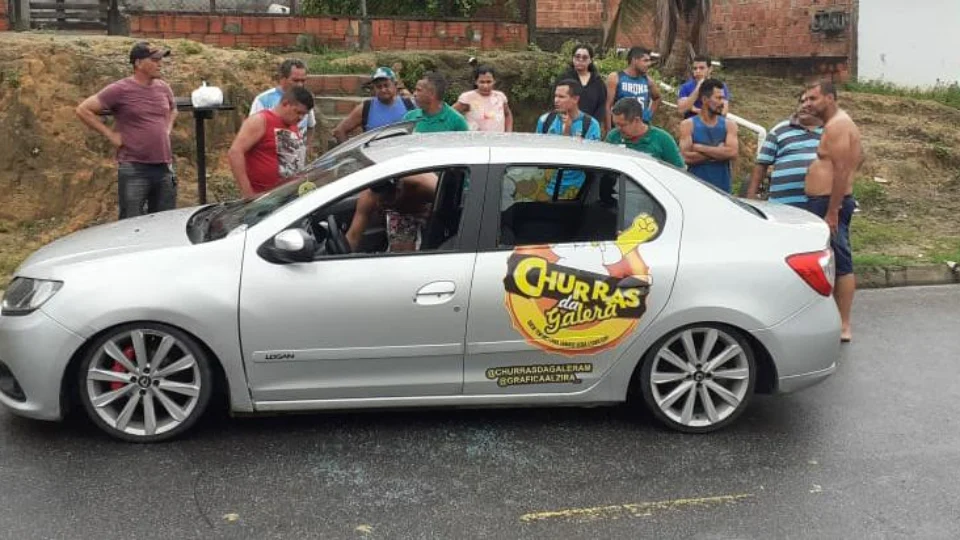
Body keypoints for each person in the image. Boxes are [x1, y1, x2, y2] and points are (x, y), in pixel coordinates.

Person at [75, 42, 177, 220]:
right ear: (138, 63)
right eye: (154, 60)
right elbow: (83, 109)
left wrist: (167, 129)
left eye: (160, 59)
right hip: (135, 168)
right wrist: (110, 135)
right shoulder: (120, 89)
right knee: (131, 223)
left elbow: (173, 109)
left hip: (164, 167)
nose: (160, 63)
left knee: (164, 223)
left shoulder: (163, 87)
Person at [801, 80, 862, 343]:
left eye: (813, 98)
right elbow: (857, 159)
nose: (807, 103)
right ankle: (833, 320)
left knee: (841, 262)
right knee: (827, 260)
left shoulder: (838, 125)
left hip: (829, 203)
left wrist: (833, 210)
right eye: (805, 99)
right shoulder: (836, 124)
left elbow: (841, 170)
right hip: (825, 201)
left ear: (829, 98)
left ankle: (844, 324)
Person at [228, 87, 314, 197]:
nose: (301, 118)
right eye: (298, 112)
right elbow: (235, 152)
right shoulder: (260, 121)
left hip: (288, 195)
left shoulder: (293, 126)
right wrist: (247, 193)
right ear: (285, 103)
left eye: (304, 114)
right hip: (263, 196)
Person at [746, 97, 823, 206]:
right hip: (781, 206)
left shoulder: (833, 130)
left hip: (819, 206)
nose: (804, 106)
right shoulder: (779, 129)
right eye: (802, 102)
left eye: (810, 102)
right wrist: (751, 197)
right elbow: (761, 165)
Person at [536, 79, 602, 197]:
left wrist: (568, 132)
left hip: (576, 189)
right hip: (545, 186)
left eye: (561, 97)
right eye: (555, 96)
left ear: (575, 99)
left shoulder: (591, 125)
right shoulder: (545, 120)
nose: (556, 100)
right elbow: (537, 153)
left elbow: (592, 160)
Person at [345, 174, 438, 253]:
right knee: (400, 255)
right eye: (378, 202)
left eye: (385, 201)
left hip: (431, 209)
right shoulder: (368, 196)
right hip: (400, 214)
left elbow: (446, 200)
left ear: (398, 189)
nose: (379, 204)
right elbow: (353, 235)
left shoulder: (426, 184)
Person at [679, 78, 739, 192]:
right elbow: (686, 157)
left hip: (722, 191)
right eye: (718, 98)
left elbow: (732, 153)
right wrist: (719, 152)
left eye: (723, 98)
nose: (722, 102)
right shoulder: (688, 125)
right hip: (695, 189)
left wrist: (700, 148)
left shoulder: (730, 125)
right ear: (705, 99)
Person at [332, 66, 415, 144]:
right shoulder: (366, 108)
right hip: (376, 153)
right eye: (378, 87)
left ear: (395, 85)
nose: (383, 90)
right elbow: (339, 131)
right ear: (373, 88)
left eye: (386, 85)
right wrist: (352, 152)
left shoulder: (409, 104)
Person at [249, 59, 316, 153]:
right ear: (282, 78)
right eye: (295, 80)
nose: (300, 85)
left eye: (303, 80)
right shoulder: (263, 100)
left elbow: (310, 126)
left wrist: (307, 147)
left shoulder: (306, 99)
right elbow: (251, 132)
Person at [606, 98, 684, 168]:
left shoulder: (662, 139)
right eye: (615, 124)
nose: (618, 128)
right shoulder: (613, 136)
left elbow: (679, 171)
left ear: (637, 120)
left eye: (622, 125)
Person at [605, 46, 661, 132]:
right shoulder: (616, 77)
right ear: (634, 60)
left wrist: (648, 115)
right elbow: (607, 105)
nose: (649, 64)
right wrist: (609, 130)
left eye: (649, 60)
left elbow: (657, 97)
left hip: (640, 129)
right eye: (645, 60)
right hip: (620, 127)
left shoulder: (647, 80)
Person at [557, 44, 607, 127]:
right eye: (577, 57)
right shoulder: (563, 79)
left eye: (585, 57)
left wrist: (592, 124)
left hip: (590, 127)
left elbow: (601, 106)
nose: (580, 60)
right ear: (573, 58)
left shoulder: (598, 82)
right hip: (565, 124)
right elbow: (556, 100)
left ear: (590, 60)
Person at [402, 72, 469, 133]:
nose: (414, 94)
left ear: (432, 94)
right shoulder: (409, 118)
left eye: (419, 90)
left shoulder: (456, 121)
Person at [454, 63, 513, 132]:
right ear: (476, 82)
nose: (485, 86)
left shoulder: (500, 97)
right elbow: (450, 116)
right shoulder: (467, 98)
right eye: (482, 82)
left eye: (489, 82)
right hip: (474, 138)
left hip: (499, 138)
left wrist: (508, 133)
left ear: (494, 81)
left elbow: (507, 114)